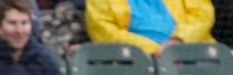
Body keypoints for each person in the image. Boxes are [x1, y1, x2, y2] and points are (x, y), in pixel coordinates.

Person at [85, 0, 215, 57]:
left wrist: (177, 41)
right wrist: (154, 50)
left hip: (192, 51)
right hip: (133, 59)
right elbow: (105, 32)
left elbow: (202, 16)